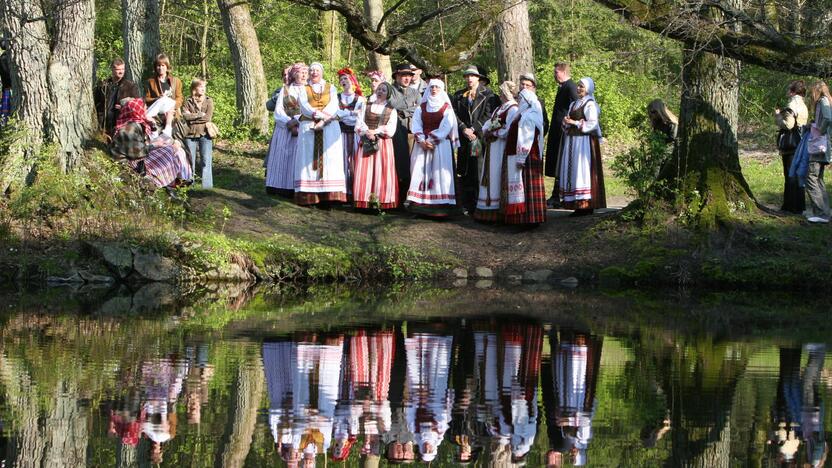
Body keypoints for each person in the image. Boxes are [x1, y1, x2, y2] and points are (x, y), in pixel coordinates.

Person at [295, 62, 347, 206]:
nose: (314, 72)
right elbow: (304, 105)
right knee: (308, 159)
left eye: (316, 70)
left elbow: (333, 105)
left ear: (321, 72)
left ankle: (329, 196)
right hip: (309, 126)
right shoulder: (303, 89)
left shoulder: (331, 87)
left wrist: (323, 117)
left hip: (329, 126)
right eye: (311, 70)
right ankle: (309, 196)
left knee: (329, 158)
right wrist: (315, 114)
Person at [406, 79, 461, 217]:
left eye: (437, 87)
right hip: (422, 145)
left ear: (441, 89)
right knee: (420, 172)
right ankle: (419, 205)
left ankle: (440, 206)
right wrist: (422, 140)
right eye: (432, 87)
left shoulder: (446, 108)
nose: (434, 89)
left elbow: (446, 126)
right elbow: (416, 124)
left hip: (440, 145)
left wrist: (432, 140)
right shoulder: (421, 107)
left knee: (439, 173)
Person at [110, 97, 192, 189]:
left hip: (133, 158)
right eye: (143, 109)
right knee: (169, 151)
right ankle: (161, 182)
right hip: (127, 162)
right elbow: (137, 153)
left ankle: (173, 183)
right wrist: (155, 145)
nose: (145, 111)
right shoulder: (130, 128)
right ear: (137, 111)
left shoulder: (134, 124)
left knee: (172, 149)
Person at [452, 65, 500, 214]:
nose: (469, 79)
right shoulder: (459, 95)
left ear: (478, 78)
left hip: (479, 138)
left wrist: (473, 129)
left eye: (472, 76)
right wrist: (463, 128)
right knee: (465, 171)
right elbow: (453, 114)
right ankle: (467, 204)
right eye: (467, 76)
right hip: (464, 138)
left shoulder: (490, 95)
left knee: (479, 171)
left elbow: (489, 115)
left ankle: (481, 204)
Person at [559, 77, 607, 216]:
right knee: (573, 171)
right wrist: (566, 122)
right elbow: (569, 121)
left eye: (582, 86)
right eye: (578, 86)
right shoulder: (573, 104)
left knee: (582, 171)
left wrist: (575, 123)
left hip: (584, 143)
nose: (579, 88)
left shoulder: (590, 104)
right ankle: (576, 204)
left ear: (588, 89)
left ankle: (585, 205)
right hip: (572, 142)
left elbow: (592, 123)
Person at [473, 81, 519, 222]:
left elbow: (509, 129)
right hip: (492, 147)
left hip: (500, 147)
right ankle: (486, 210)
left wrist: (495, 133)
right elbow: (488, 122)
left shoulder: (513, 109)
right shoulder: (499, 108)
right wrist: (487, 130)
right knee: (489, 174)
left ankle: (498, 211)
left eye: (502, 92)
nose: (500, 95)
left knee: (497, 174)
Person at [502, 87, 547, 226]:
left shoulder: (528, 116)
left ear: (527, 101)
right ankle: (523, 218)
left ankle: (531, 219)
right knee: (523, 187)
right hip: (523, 154)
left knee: (528, 186)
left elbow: (526, 138)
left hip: (527, 155)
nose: (519, 101)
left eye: (521, 99)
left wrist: (521, 158)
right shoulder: (522, 114)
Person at [353, 82, 399, 210]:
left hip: (383, 144)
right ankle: (364, 200)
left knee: (381, 170)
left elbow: (391, 129)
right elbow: (359, 122)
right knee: (365, 171)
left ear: (388, 93)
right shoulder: (366, 106)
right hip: (366, 140)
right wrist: (367, 132)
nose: (380, 92)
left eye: (383, 90)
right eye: (379, 89)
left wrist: (376, 131)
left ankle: (381, 201)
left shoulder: (391, 110)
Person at [265, 62, 307, 197]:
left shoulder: (310, 90)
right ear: (294, 75)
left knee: (298, 158)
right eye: (301, 73)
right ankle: (279, 186)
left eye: (306, 73)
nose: (304, 75)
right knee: (283, 157)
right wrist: (289, 122)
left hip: (303, 130)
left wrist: (298, 121)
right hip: (284, 130)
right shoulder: (286, 89)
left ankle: (297, 188)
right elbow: (278, 111)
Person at [544, 63, 579, 207]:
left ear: (564, 72)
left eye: (556, 72)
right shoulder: (562, 87)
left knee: (561, 162)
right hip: (558, 130)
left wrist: (570, 122)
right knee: (556, 162)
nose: (554, 75)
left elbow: (577, 106)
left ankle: (558, 196)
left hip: (564, 131)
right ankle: (556, 195)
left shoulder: (571, 87)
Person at [388, 64, 421, 203]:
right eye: (403, 75)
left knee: (413, 164)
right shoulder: (391, 90)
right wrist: (408, 108)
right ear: (396, 76)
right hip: (395, 132)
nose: (407, 78)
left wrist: (406, 111)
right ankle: (397, 198)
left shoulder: (415, 93)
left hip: (412, 132)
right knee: (398, 164)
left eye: (409, 75)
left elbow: (419, 108)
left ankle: (411, 197)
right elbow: (393, 105)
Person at [774, 81, 808, 214]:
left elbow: (788, 125)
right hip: (801, 141)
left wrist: (777, 116)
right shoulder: (803, 105)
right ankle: (799, 205)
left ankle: (790, 206)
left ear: (793, 91)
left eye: (789, 89)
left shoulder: (791, 104)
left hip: (791, 143)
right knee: (798, 173)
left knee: (790, 173)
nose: (787, 92)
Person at [336, 68, 366, 201]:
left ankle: (355, 192)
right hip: (340, 133)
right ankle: (342, 192)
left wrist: (344, 115)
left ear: (352, 81)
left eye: (346, 79)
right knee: (340, 161)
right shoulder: (336, 97)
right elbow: (336, 114)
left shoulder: (360, 99)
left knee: (354, 160)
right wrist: (351, 113)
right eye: (341, 79)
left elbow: (360, 117)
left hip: (355, 133)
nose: (343, 81)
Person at [181, 78, 214, 189]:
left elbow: (208, 117)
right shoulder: (187, 101)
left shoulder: (209, 101)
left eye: (204, 87)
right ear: (194, 88)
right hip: (190, 134)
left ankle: (207, 187)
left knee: (206, 160)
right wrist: (199, 115)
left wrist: (193, 116)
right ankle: (190, 185)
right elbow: (185, 116)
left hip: (205, 134)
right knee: (190, 161)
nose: (203, 89)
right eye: (201, 86)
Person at [94, 58, 140, 138]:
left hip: (122, 121)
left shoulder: (130, 86)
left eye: (123, 69)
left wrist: (124, 107)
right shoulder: (103, 85)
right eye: (118, 69)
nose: (121, 72)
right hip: (103, 122)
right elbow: (95, 102)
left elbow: (137, 105)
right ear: (112, 69)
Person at [806, 81, 831, 223]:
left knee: (811, 177)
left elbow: (828, 118)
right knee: (818, 178)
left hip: (819, 145)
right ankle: (825, 212)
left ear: (817, 91)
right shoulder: (827, 101)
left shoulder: (823, 101)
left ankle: (821, 213)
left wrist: (819, 130)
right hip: (823, 144)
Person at [144, 53, 183, 137]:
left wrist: (173, 105)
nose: (160, 68)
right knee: (162, 99)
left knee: (167, 100)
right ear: (155, 67)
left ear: (167, 66)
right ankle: (149, 120)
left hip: (171, 112)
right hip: (157, 112)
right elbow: (146, 99)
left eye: (163, 65)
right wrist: (157, 98)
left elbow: (180, 98)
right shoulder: (151, 82)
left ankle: (168, 127)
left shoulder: (176, 81)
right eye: (158, 65)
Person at [518, 72, 549, 137]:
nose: (524, 87)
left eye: (527, 85)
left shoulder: (538, 102)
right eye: (522, 84)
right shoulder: (514, 100)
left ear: (533, 87)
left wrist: (537, 137)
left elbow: (544, 123)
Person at [0, 37, 10, 126]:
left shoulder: (2, 57)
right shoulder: (8, 57)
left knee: (5, 108)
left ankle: (4, 123)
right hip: (11, 86)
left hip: (6, 86)